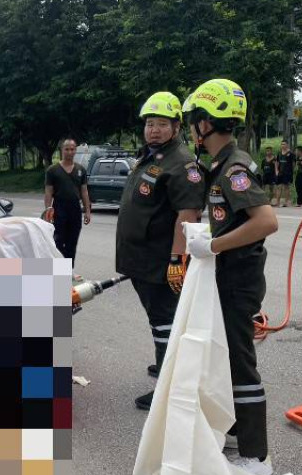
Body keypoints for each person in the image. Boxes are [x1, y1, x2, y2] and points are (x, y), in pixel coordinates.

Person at [183, 79, 278, 475]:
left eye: (193, 121)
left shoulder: (234, 169)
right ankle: (238, 435)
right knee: (226, 358)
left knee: (240, 363)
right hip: (230, 276)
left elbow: (266, 221)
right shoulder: (221, 165)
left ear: (205, 123)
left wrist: (213, 246)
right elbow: (233, 221)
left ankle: (257, 457)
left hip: (238, 280)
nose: (192, 128)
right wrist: (210, 236)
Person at [115, 92, 205, 411]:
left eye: (162, 124)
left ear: (176, 127)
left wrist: (177, 259)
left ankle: (169, 388)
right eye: (150, 124)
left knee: (164, 321)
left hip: (161, 261)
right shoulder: (153, 157)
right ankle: (165, 362)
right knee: (160, 321)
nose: (154, 130)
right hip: (142, 259)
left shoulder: (181, 163)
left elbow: (188, 215)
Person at [44, 139, 92, 282]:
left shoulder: (80, 169)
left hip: (75, 209)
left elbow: (84, 191)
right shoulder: (52, 170)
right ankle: (59, 270)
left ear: (75, 150)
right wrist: (48, 210)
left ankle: (69, 270)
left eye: (72, 149)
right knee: (59, 240)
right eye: (67, 149)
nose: (70, 152)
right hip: (59, 208)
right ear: (62, 150)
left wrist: (87, 211)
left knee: (72, 241)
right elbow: (48, 192)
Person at [274, 140, 294, 207]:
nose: (283, 145)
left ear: (287, 145)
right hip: (280, 173)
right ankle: (277, 202)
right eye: (282, 144)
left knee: (286, 187)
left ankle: (286, 202)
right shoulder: (279, 153)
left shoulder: (291, 153)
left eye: (284, 144)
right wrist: (276, 170)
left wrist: (291, 171)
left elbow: (293, 163)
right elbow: (276, 162)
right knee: (278, 187)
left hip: (287, 173)